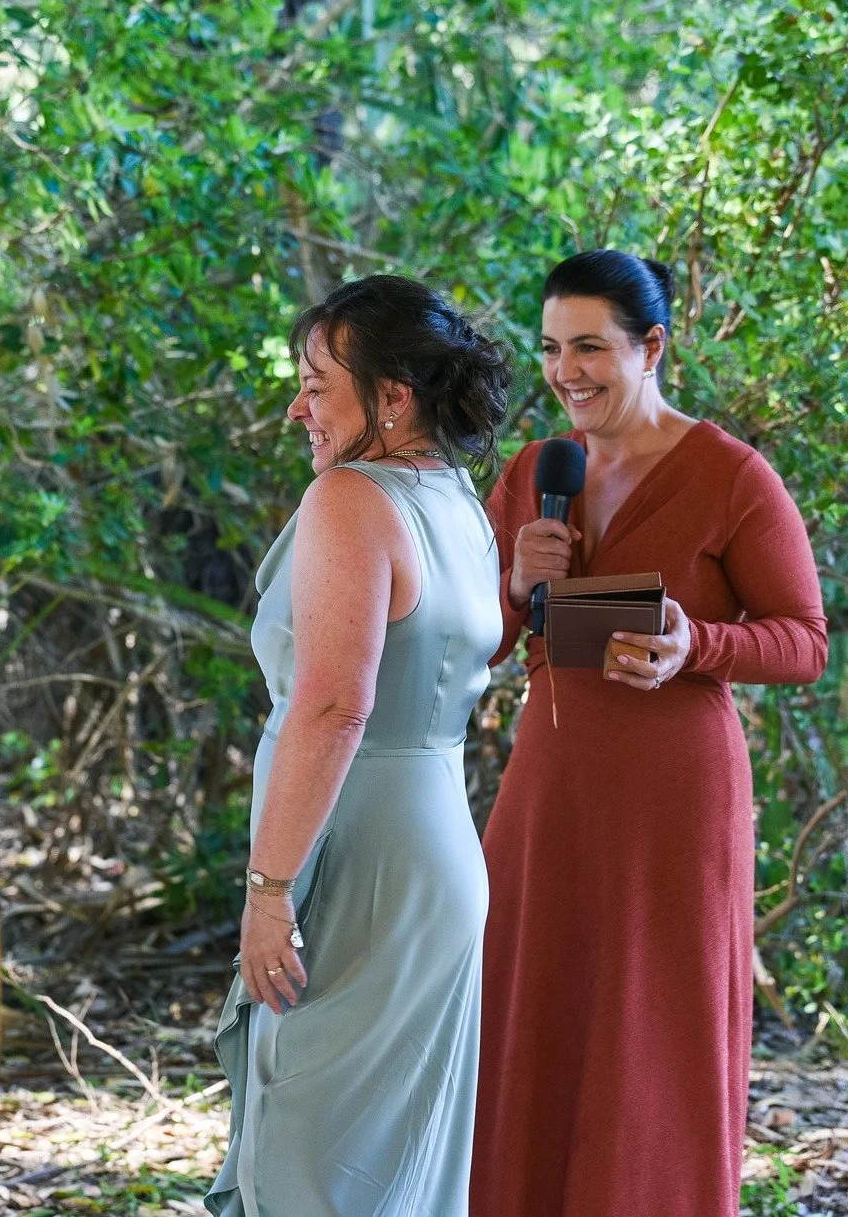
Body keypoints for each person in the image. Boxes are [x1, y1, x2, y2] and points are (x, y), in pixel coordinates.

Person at [469, 250, 829, 1216]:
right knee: (524, 1005)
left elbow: (804, 640)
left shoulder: (731, 475)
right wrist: (511, 582)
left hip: (675, 794)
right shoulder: (537, 472)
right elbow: (488, 643)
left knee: (651, 1026)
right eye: (551, 348)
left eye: (590, 346)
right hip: (550, 788)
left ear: (653, 346)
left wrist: (696, 643)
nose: (566, 370)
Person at [207, 275, 511, 1217]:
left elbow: (335, 708)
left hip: (359, 856)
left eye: (316, 382)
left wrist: (268, 892)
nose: (297, 405)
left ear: (393, 396)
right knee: (397, 1169)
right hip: (440, 856)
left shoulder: (350, 497)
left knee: (310, 1159)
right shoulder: (457, 496)